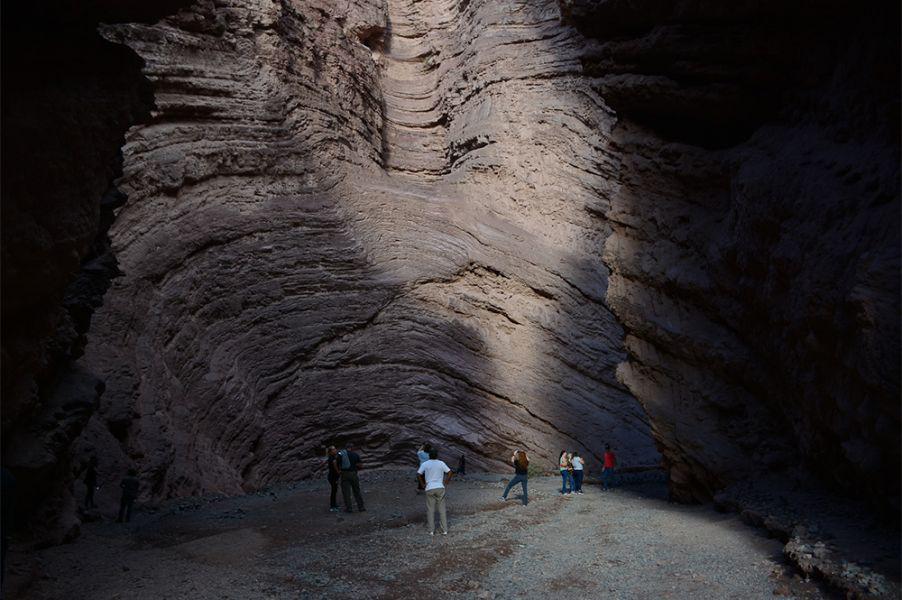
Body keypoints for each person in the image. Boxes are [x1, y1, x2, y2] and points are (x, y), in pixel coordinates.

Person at [417, 448, 452, 535]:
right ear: (437, 455)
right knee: (442, 509)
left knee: (430, 510)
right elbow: (450, 472)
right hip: (440, 487)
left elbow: (418, 474)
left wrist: (422, 485)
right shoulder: (441, 463)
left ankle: (431, 531)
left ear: (429, 455)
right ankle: (445, 530)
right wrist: (446, 482)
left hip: (429, 488)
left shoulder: (425, 464)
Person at [337, 446, 365, 512]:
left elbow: (337, 462)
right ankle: (361, 507)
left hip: (344, 474)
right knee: (357, 491)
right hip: (353, 473)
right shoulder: (355, 454)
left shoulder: (341, 454)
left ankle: (349, 508)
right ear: (352, 448)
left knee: (346, 492)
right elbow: (360, 465)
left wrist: (339, 470)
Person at [326, 446, 340, 512]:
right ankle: (332, 506)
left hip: (332, 477)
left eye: (335, 448)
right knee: (334, 491)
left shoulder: (331, 458)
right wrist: (339, 473)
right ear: (331, 451)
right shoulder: (332, 459)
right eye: (334, 449)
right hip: (333, 477)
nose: (335, 450)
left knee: (334, 491)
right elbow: (335, 467)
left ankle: (334, 504)